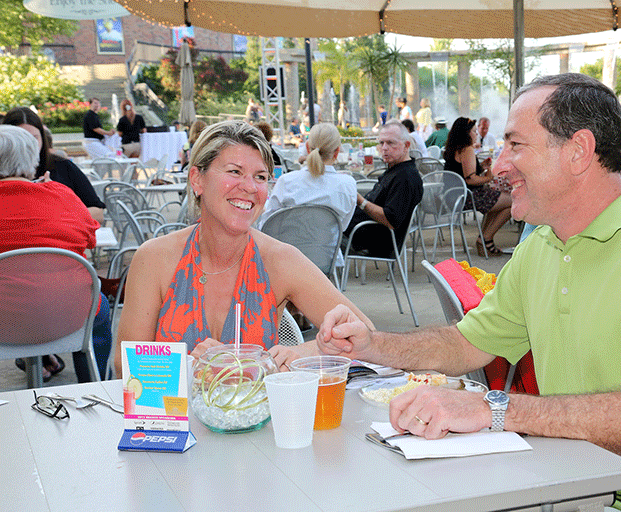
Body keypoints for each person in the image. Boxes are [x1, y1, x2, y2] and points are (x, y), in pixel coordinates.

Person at [316, 73, 621, 511]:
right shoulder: (540, 247)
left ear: (578, 151)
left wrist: (493, 408)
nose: (500, 165)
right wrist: (372, 344)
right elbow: (466, 342)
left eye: (516, 145)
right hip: (574, 485)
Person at [113, 121, 373, 377]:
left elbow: (364, 333)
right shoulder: (154, 258)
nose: (250, 187)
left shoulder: (279, 260)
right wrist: (193, 366)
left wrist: (300, 353)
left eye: (260, 177)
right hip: (174, 417)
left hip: (258, 417)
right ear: (197, 180)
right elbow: (124, 364)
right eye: (235, 172)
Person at [0, 125, 112, 383]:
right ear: (33, 160)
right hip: (66, 316)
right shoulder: (62, 196)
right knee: (99, 306)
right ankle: (95, 385)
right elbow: (90, 239)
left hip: (4, 322)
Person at [258, 122, 356, 267]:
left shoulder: (287, 181)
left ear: (308, 148)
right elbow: (342, 227)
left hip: (285, 262)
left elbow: (266, 226)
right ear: (337, 152)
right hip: (326, 262)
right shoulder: (348, 184)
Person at [3, 107, 106, 225]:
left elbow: (98, 212)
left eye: (34, 138)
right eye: (21, 139)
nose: (29, 145)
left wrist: (59, 215)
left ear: (42, 137)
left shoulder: (62, 166)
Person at [344, 121, 423, 258]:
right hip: (359, 232)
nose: (384, 148)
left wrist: (360, 201)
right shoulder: (396, 169)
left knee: (317, 233)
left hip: (372, 241)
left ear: (406, 145)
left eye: (391, 143)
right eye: (381, 143)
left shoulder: (405, 177)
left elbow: (391, 220)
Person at [443, 117, 512, 256]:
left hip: (453, 195)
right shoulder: (467, 149)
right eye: (474, 131)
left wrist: (481, 167)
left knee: (496, 200)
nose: (476, 134)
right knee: (513, 201)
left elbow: (462, 173)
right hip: (465, 196)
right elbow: (470, 179)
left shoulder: (455, 148)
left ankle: (485, 238)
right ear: (466, 133)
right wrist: (488, 177)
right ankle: (485, 238)